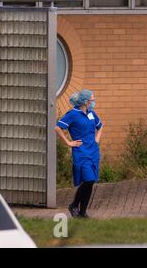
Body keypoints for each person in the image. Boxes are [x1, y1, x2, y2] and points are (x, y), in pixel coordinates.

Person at [54, 90, 103, 218]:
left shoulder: (92, 113)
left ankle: (83, 211)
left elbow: (100, 126)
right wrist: (68, 143)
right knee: (88, 179)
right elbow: (58, 128)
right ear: (85, 101)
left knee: (91, 182)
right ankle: (74, 205)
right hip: (81, 152)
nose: (94, 101)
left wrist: (97, 139)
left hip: (93, 151)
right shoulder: (73, 114)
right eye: (92, 99)